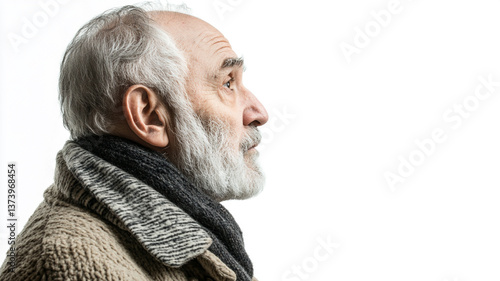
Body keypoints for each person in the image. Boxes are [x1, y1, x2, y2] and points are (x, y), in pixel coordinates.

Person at [0, 4, 268, 281]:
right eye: (227, 83)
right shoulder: (71, 262)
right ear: (148, 115)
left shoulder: (194, 232)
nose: (259, 113)